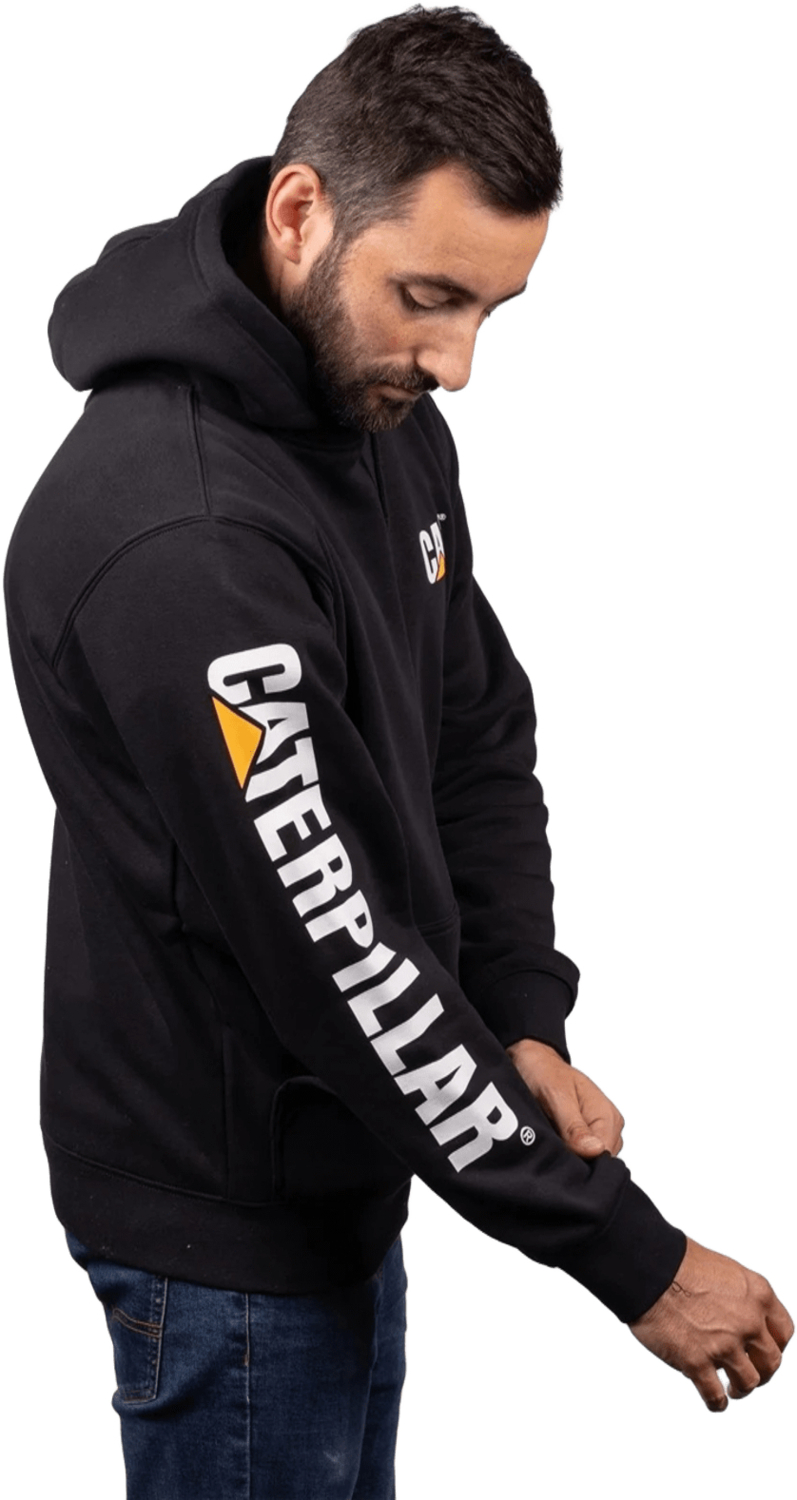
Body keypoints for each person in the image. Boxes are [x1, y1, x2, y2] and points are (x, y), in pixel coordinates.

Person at [4, 6, 791, 1498]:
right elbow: (341, 952)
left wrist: (520, 1017)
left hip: (348, 1164)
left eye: (492, 309)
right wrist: (632, 1256)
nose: (457, 362)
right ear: (300, 213)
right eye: (429, 297)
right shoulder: (186, 543)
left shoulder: (368, 407)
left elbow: (472, 731)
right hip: (223, 1231)